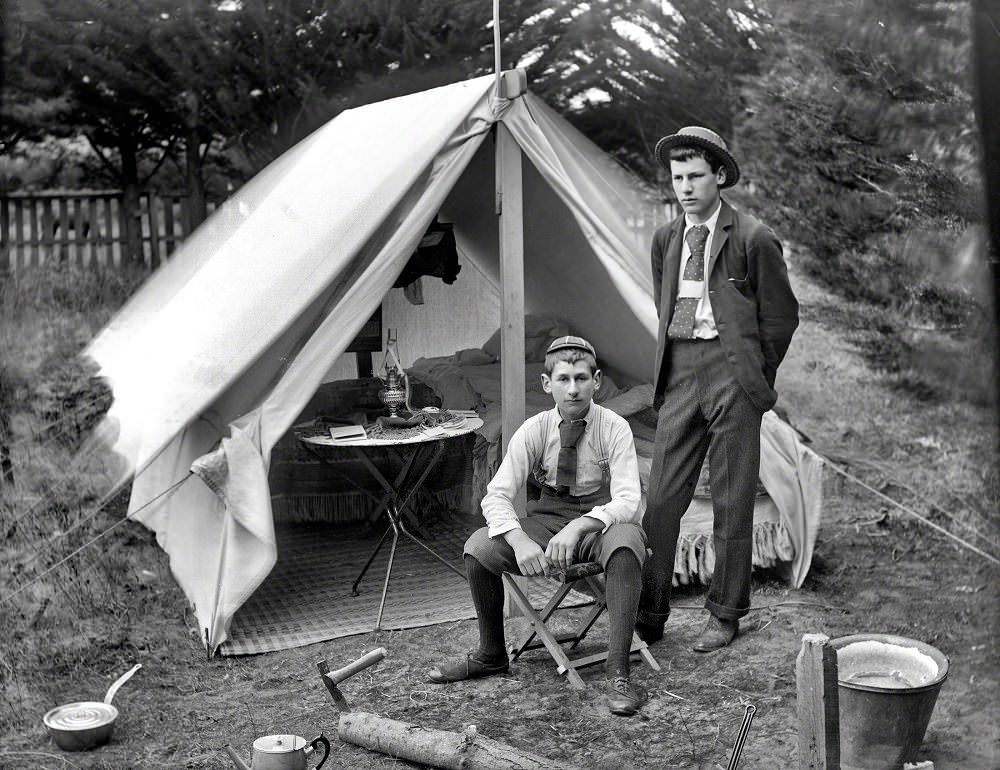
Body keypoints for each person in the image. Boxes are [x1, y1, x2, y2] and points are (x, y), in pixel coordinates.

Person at [636, 126, 799, 652]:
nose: (685, 187)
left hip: (733, 375)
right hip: (681, 369)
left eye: (695, 176)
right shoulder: (665, 239)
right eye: (677, 177)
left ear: (720, 176)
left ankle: (726, 613)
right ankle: (650, 610)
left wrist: (754, 376)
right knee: (660, 500)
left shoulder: (752, 237)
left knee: (732, 501)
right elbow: (665, 305)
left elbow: (780, 317)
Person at [428, 336, 649, 716]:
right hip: (546, 519)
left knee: (628, 543)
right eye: (563, 379)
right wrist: (517, 539)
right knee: (480, 546)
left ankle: (618, 672)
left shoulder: (614, 427)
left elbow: (628, 500)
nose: (574, 388)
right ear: (547, 384)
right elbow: (495, 496)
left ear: (596, 380)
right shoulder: (534, 429)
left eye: (582, 378)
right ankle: (491, 653)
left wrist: (581, 525)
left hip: (598, 523)